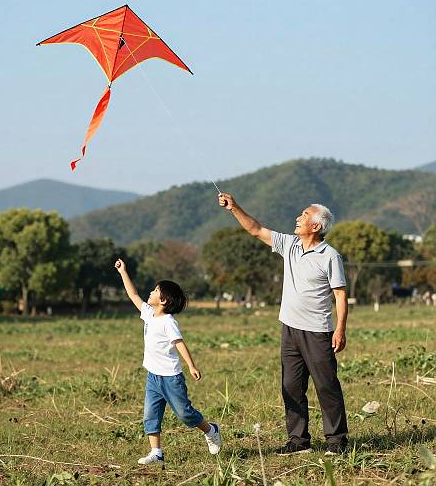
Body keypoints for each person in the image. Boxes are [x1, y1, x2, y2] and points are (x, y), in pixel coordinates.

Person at [218, 194, 348, 456]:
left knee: (326, 386)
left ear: (316, 226)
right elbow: (256, 230)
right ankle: (298, 442)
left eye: (303, 215)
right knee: (291, 386)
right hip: (289, 329)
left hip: (317, 331)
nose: (298, 218)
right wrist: (234, 208)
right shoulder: (289, 245)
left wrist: (340, 329)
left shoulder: (330, 256)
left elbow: (340, 295)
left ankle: (337, 441)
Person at [114, 258, 222, 466]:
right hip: (153, 376)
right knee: (150, 415)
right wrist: (123, 272)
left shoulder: (168, 322)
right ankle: (156, 452)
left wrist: (191, 365)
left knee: (185, 414)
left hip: (171, 378)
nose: (151, 292)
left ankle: (211, 430)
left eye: (155, 291)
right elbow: (133, 294)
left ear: (163, 300)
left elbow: (179, 343)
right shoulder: (148, 313)